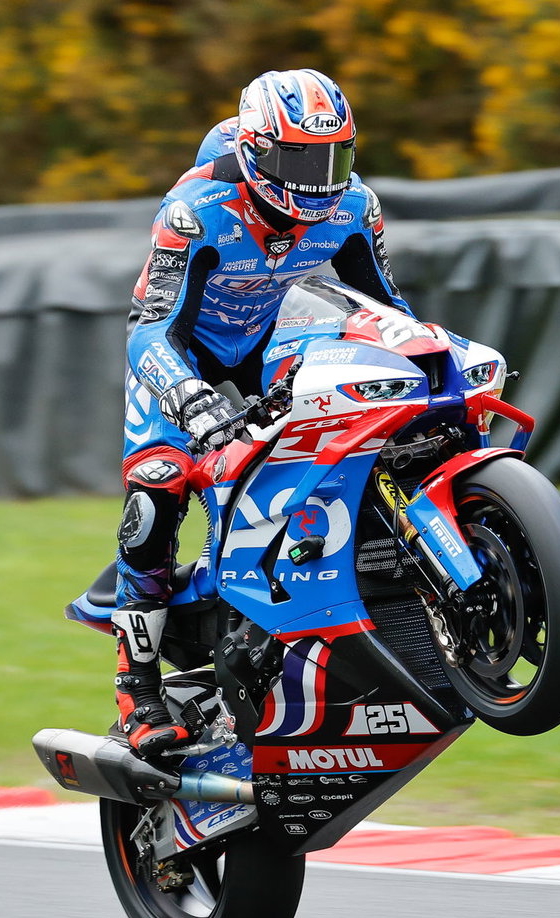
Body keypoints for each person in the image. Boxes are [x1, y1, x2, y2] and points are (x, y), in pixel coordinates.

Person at [105, 68, 413, 757]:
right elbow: (148, 327)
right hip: (182, 354)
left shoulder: (353, 208)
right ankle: (138, 688)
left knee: (352, 426)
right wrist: (188, 397)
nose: (319, 177)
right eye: (301, 158)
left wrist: (427, 369)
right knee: (156, 492)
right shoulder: (195, 208)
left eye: (334, 158)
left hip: (270, 344)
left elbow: (389, 309)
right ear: (258, 148)